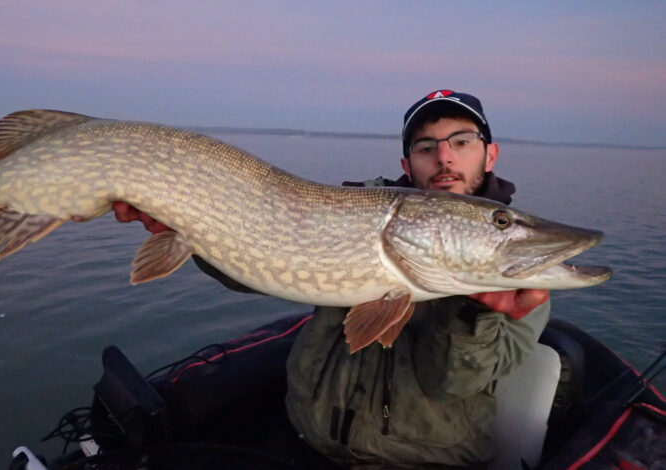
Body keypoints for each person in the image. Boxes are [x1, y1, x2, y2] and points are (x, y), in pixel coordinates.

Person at [113, 89, 550, 469]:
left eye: (462, 141)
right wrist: (192, 228)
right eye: (426, 146)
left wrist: (472, 314)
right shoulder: (362, 210)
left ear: (489, 154)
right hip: (305, 440)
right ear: (407, 162)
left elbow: (450, 383)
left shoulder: (519, 279)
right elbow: (258, 263)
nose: (444, 157)